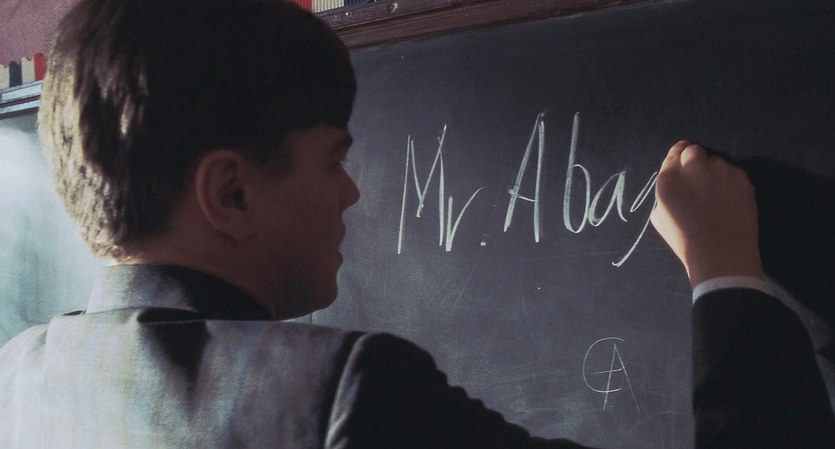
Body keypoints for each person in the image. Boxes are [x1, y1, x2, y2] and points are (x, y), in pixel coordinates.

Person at [0, 0, 832, 448]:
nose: (350, 194)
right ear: (231, 193)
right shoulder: (344, 396)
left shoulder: (20, 382)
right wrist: (725, 271)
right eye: (332, 159)